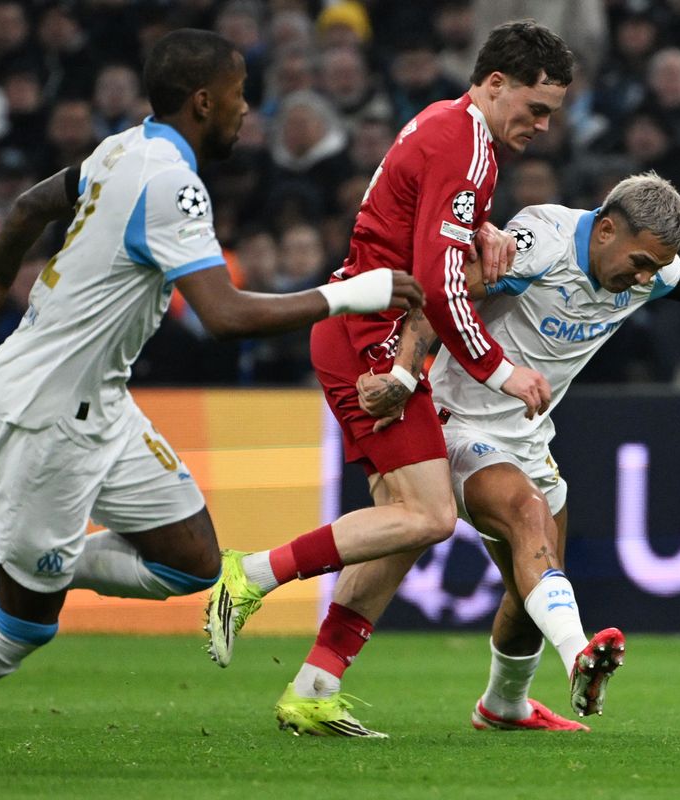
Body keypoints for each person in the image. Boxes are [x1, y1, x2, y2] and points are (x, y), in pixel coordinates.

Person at [0, 29, 422, 770]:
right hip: (47, 415)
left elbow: (27, 204)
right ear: (204, 101)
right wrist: (356, 292)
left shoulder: (120, 149)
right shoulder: (171, 184)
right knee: (26, 626)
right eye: (241, 97)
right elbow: (224, 317)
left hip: (101, 406)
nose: (249, 112)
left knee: (191, 561)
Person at [281, 172, 680, 737]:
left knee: (532, 582)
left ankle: (502, 704)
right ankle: (578, 653)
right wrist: (406, 375)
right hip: (459, 424)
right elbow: (442, 295)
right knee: (525, 520)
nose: (646, 278)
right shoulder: (539, 245)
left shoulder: (648, 271)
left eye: (657, 269)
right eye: (640, 262)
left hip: (529, 439)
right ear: (605, 230)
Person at [205, 20, 576, 734]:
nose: (543, 124)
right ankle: (248, 576)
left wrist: (484, 230)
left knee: (401, 527)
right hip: (368, 333)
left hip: (369, 328)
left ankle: (313, 688)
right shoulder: (466, 146)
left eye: (552, 113)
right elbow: (438, 289)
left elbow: (427, 220)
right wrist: (502, 372)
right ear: (495, 84)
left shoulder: (454, 129)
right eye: (535, 107)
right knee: (431, 517)